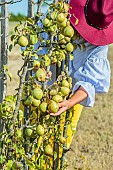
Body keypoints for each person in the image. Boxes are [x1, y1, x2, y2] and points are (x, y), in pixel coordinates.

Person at [50, 0, 113, 116]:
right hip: (41, 89)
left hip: (72, 98)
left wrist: (70, 102)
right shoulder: (59, 18)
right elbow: (37, 46)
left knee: (66, 131)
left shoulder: (99, 46)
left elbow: (90, 81)